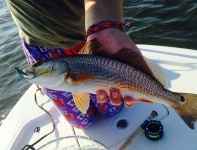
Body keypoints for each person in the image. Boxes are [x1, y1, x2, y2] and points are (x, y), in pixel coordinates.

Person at [6, 0, 142, 129]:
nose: (34, 69)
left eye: (36, 66)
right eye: (36, 66)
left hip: (92, 39)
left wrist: (106, 27)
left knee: (113, 109)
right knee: (82, 122)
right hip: (40, 45)